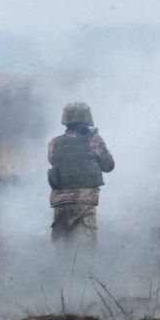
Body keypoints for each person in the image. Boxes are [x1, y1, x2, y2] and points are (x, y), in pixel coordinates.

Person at [48, 101, 114, 246]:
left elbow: (53, 161)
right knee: (85, 250)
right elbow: (109, 166)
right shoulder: (94, 140)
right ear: (87, 117)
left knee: (61, 249)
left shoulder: (54, 143)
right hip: (84, 203)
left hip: (61, 203)